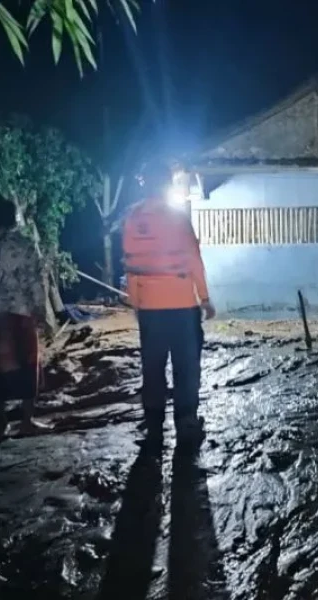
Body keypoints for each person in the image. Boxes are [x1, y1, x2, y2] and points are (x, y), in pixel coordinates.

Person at [122, 161, 216, 449]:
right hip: (182, 307)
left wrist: (137, 305)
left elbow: (130, 266)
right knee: (186, 368)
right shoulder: (177, 218)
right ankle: (186, 423)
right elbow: (194, 260)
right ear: (167, 184)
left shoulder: (132, 219)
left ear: (143, 184)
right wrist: (204, 298)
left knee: (152, 368)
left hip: (150, 309)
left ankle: (153, 428)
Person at [0, 198, 51, 442]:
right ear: (14, 218)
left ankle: (2, 424)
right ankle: (26, 421)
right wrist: (40, 311)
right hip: (20, 313)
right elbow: (34, 281)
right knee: (28, 364)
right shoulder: (24, 246)